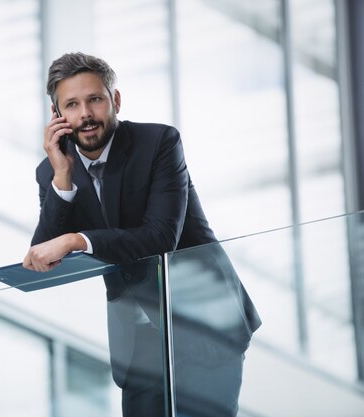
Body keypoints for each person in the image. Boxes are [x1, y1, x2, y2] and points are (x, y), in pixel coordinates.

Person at [22, 52, 260, 417]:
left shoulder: (159, 143)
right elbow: (43, 254)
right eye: (71, 104)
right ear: (57, 115)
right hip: (138, 339)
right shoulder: (53, 171)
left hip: (203, 317)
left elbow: (161, 237)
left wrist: (77, 240)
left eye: (95, 99)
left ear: (114, 100)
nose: (85, 114)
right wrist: (61, 179)